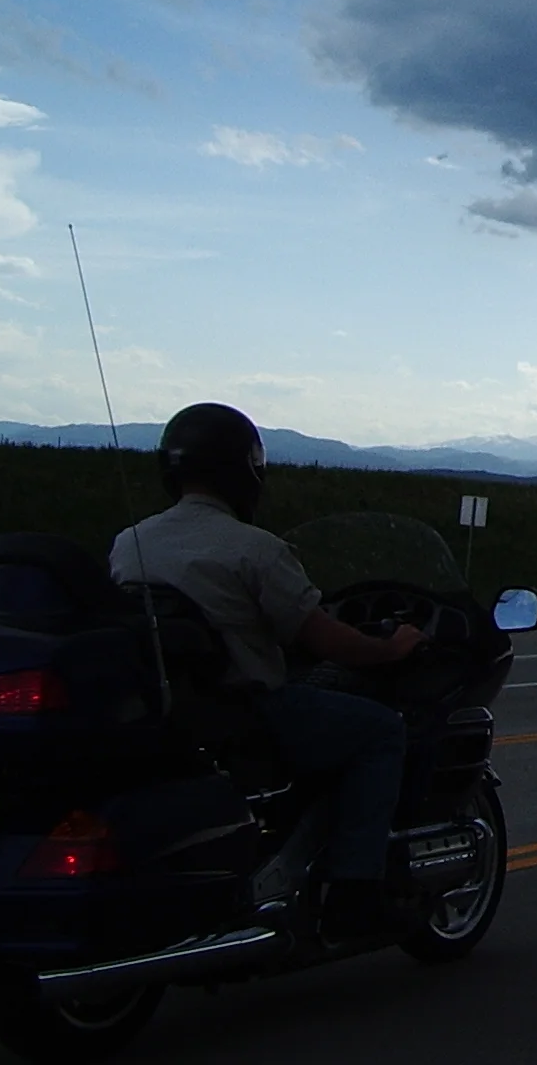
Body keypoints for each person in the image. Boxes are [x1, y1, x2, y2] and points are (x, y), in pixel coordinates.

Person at [109, 402, 424, 941]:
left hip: (167, 714)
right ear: (246, 469)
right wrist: (394, 648)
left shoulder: (129, 543)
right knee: (380, 731)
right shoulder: (255, 549)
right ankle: (355, 892)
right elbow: (324, 639)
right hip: (247, 713)